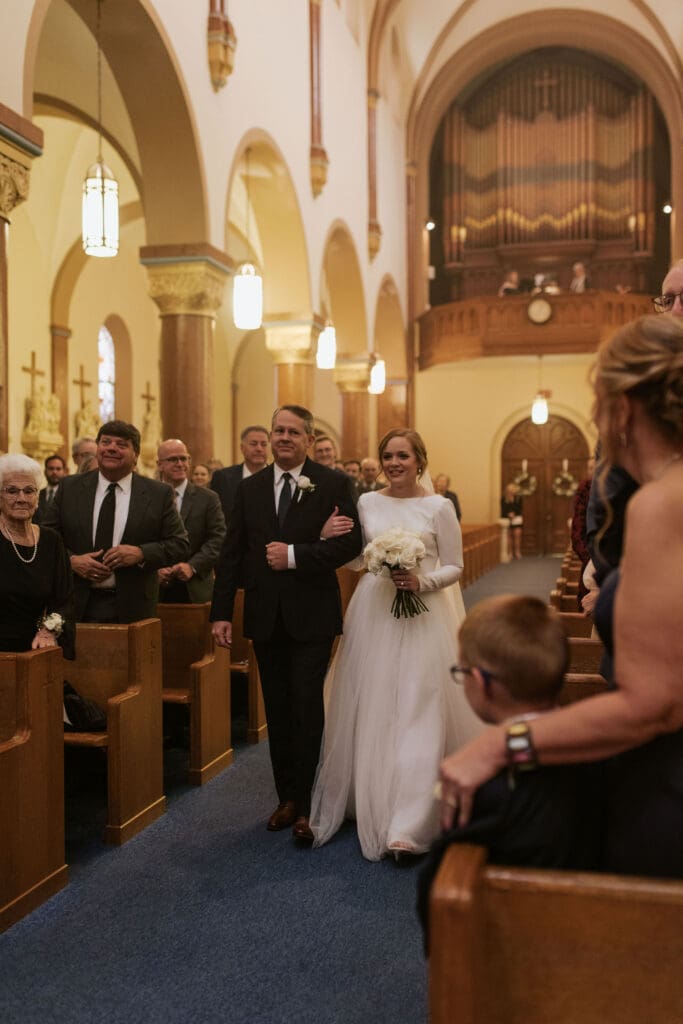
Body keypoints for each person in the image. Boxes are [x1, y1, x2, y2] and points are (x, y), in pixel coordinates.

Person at [438, 314, 683, 880]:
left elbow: (653, 706)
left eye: (597, 401)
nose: (595, 417)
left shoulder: (662, 503)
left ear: (623, 408)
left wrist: (504, 744)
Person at [310, 428, 482, 862]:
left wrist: (421, 581)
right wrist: (330, 537)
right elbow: (356, 561)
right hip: (375, 613)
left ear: (419, 459)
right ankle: (371, 797)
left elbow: (456, 565)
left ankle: (409, 821)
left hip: (425, 616)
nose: (394, 463)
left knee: (419, 707)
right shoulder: (367, 503)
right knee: (378, 704)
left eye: (403, 455)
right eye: (387, 455)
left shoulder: (439, 507)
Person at [210, 405, 362, 843]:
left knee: (306, 705)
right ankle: (287, 798)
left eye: (293, 432)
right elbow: (233, 552)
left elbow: (351, 546)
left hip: (312, 613)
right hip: (264, 614)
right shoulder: (251, 488)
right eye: (278, 430)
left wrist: (296, 554)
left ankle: (313, 802)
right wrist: (221, 612)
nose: (283, 438)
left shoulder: (333, 483)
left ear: (309, 440)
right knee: (276, 709)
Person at [417, 596, 602, 947]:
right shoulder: (595, 751)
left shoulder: (482, 789)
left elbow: (435, 898)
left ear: (481, 683)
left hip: (518, 949)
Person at [43, 419, 189, 624]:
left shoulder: (158, 493)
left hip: (133, 607)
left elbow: (179, 544)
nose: (111, 448)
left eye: (122, 444)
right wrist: (72, 561)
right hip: (75, 602)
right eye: (106, 442)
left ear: (136, 455)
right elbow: (47, 540)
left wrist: (141, 553)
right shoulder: (70, 488)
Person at [0, 453, 74, 658]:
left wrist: (49, 629)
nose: (21, 498)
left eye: (29, 491)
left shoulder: (51, 541)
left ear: (38, 498)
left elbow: (64, 600)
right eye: (12, 491)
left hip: (38, 650)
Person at [156, 438, 226, 603]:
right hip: (155, 587)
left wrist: (192, 566)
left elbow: (217, 538)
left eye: (184, 458)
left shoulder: (208, 498)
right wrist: (154, 570)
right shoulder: (147, 496)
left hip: (194, 586)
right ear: (160, 464)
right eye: (173, 459)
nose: (180, 464)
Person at [210, 425, 269, 523]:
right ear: (242, 448)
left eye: (264, 444)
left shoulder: (278, 478)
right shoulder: (223, 478)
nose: (259, 449)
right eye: (253, 444)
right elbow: (215, 518)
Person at [34, 453, 67, 524]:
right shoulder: (37, 495)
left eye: (58, 469)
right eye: (51, 468)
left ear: (64, 472)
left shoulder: (69, 496)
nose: (54, 472)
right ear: (45, 471)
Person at [500, 482, 523, 559]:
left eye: (512, 490)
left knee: (517, 536)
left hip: (517, 519)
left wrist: (514, 514)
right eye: (510, 490)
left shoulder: (518, 498)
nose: (511, 492)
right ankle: (510, 553)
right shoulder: (503, 499)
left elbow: (520, 508)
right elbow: (503, 509)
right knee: (509, 537)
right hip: (507, 519)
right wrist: (508, 514)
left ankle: (517, 552)